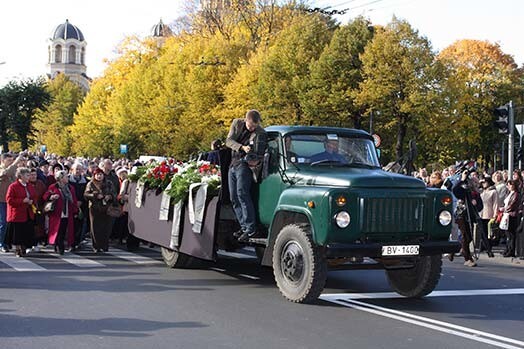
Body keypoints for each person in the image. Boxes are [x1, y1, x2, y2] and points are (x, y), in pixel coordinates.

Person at [226, 109, 267, 242]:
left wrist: (252, 151)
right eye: (250, 126)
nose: (252, 128)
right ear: (246, 120)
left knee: (242, 193)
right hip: (233, 163)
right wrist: (242, 147)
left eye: (255, 126)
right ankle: (243, 226)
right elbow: (229, 141)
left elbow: (260, 151)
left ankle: (250, 228)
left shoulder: (260, 132)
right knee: (233, 197)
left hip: (245, 165)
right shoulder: (237, 124)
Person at [43, 170, 78, 255]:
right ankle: (58, 245)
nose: (67, 178)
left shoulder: (70, 188)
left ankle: (61, 245)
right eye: (66, 176)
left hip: (67, 212)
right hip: (57, 213)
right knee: (57, 230)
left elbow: (74, 200)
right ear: (60, 178)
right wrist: (52, 197)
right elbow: (45, 196)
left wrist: (75, 210)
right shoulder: (53, 187)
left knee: (64, 230)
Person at [452, 170, 483, 267]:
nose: (474, 184)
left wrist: (476, 204)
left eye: (475, 182)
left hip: (471, 216)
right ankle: (467, 258)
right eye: (472, 182)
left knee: (468, 237)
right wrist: (462, 179)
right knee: (466, 236)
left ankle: (454, 250)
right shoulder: (463, 191)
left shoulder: (476, 193)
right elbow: (455, 189)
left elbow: (480, 206)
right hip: (462, 215)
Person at [5, 167, 36, 257]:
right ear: (21, 176)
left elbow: (34, 196)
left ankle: (24, 247)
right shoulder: (13, 186)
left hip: (28, 212)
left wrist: (31, 201)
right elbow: (9, 200)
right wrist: (22, 200)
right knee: (17, 233)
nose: (29, 177)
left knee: (26, 231)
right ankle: (18, 249)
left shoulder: (29, 186)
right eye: (27, 175)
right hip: (17, 214)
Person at [83, 168, 115, 252]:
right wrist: (95, 195)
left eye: (101, 174)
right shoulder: (91, 184)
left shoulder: (109, 183)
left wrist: (110, 196)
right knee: (95, 227)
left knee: (106, 227)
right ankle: (96, 246)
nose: (99, 176)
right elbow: (86, 194)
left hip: (107, 207)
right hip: (94, 207)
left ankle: (104, 245)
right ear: (94, 175)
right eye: (97, 174)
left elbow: (114, 193)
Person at [0, 152, 26, 253]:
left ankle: (10, 242)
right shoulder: (2, 169)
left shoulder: (14, 169)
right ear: (2, 161)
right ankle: (2, 243)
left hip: (13, 201)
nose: (11, 162)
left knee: (12, 223)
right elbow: (5, 173)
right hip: (2, 200)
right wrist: (15, 162)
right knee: (4, 223)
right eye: (8, 160)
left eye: (12, 160)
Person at [479, 177, 497, 257]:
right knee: (483, 232)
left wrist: (495, 214)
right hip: (481, 214)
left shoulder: (493, 192)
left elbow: (495, 204)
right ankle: (485, 246)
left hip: (489, 214)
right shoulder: (482, 192)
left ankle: (489, 249)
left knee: (488, 233)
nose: (483, 184)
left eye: (485, 182)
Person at [501, 180, 519, 257]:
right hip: (507, 214)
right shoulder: (509, 193)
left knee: (511, 234)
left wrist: (505, 209)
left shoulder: (516, 194)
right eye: (508, 185)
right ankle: (507, 249)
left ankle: (511, 250)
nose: (509, 186)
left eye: (510, 185)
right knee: (507, 233)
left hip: (511, 215)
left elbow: (513, 204)